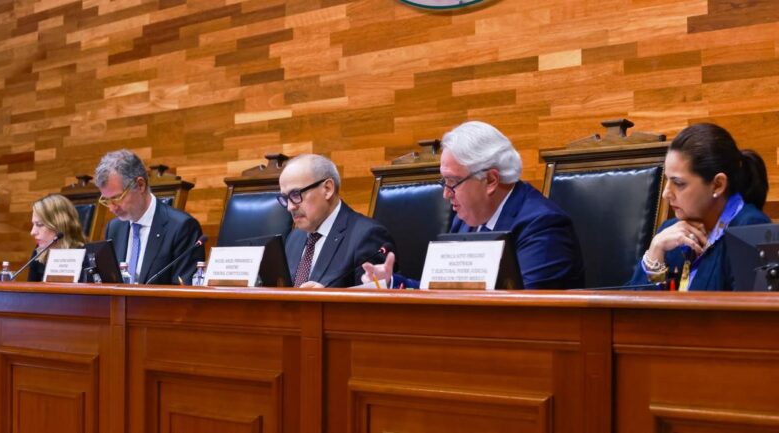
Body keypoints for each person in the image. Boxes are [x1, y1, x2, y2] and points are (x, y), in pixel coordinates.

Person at [362, 120, 585, 289]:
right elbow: (443, 291)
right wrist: (391, 282)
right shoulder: (466, 219)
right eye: (444, 182)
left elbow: (521, 310)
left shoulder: (543, 226)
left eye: (452, 182)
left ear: (491, 180)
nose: (446, 194)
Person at [628, 123, 770, 291]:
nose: (666, 193)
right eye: (667, 180)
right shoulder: (670, 232)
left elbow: (745, 308)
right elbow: (628, 306)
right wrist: (655, 253)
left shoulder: (750, 229)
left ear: (717, 185)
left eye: (678, 183)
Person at [278, 154, 395, 288]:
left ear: (327, 189)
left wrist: (331, 298)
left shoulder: (367, 236)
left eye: (295, 195)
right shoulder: (294, 237)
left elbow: (373, 299)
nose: (290, 207)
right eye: (285, 198)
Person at [95, 150, 204, 285]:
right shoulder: (114, 228)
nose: (112, 208)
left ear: (140, 185)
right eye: (106, 200)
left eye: (117, 198)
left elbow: (184, 290)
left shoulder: (182, 227)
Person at [27, 194, 87, 281]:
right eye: (33, 224)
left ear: (59, 225)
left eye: (39, 224)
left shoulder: (85, 256)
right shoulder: (39, 253)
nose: (32, 232)